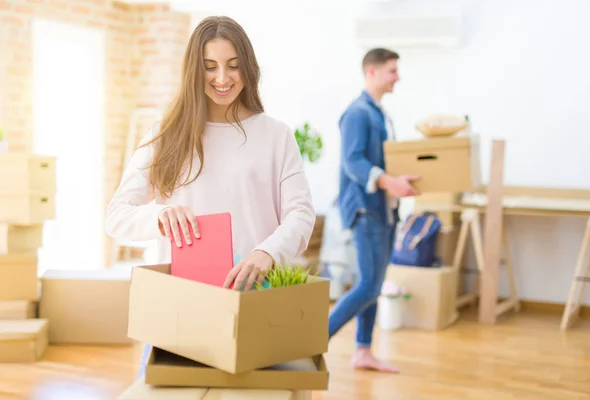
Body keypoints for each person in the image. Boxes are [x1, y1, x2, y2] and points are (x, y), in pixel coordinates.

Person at [104, 16, 315, 377]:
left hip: (255, 304)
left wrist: (267, 253)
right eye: (210, 67)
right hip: (182, 308)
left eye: (233, 66)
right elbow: (117, 218)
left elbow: (301, 214)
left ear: (248, 68)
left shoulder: (275, 136)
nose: (222, 78)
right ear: (193, 71)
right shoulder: (165, 135)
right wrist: (159, 215)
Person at [328, 48, 419, 373]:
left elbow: (381, 162)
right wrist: (390, 183)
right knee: (368, 285)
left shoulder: (378, 113)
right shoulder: (357, 113)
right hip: (365, 210)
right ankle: (310, 341)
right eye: (392, 70)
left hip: (382, 209)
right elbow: (352, 163)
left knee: (374, 285)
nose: (397, 77)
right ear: (372, 72)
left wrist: (397, 180)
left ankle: (362, 351)